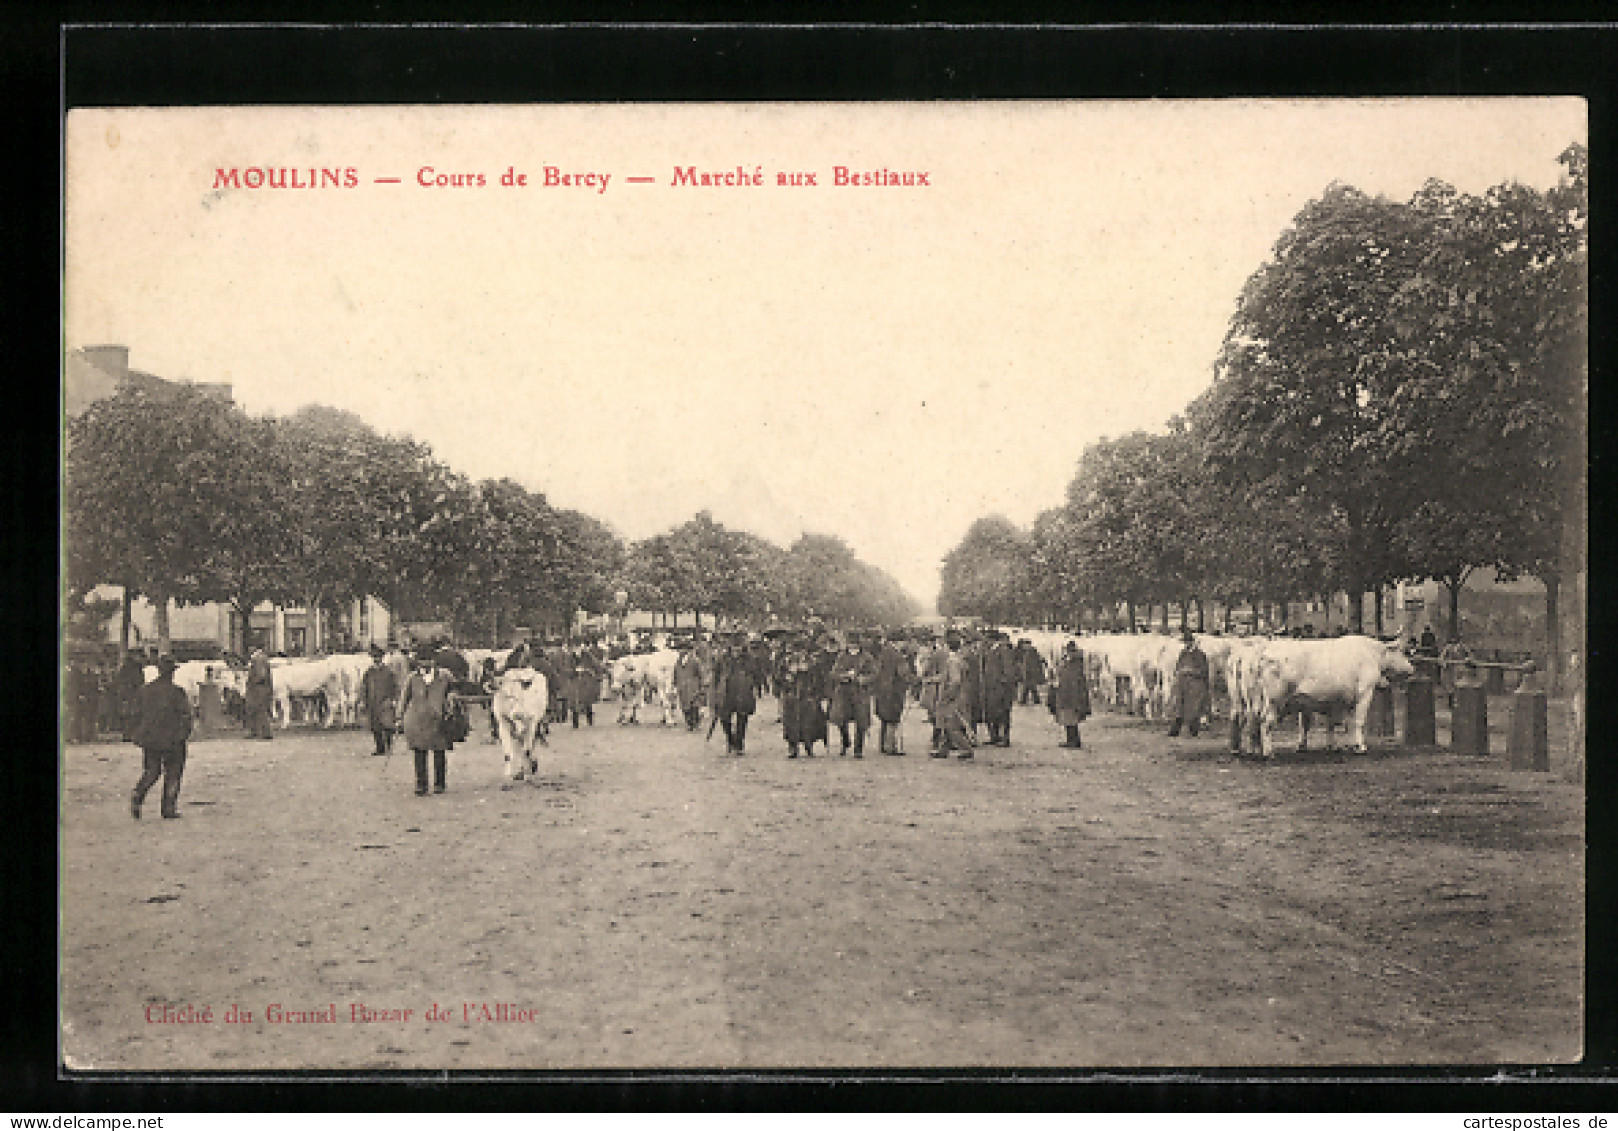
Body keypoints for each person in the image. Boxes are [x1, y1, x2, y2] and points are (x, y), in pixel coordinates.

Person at [130, 655, 192, 820]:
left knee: (151, 771)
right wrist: (184, 735)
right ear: (171, 673)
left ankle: (138, 794)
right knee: (173, 773)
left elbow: (135, 715)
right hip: (173, 739)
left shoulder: (145, 690)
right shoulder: (177, 692)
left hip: (151, 738)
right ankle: (168, 807)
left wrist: (139, 735)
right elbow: (186, 716)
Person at [398, 650, 453, 796]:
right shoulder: (412, 678)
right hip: (418, 720)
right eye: (423, 660)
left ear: (434, 660)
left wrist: (451, 699)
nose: (426, 663)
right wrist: (399, 717)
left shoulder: (444, 676)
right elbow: (404, 698)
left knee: (439, 752)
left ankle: (439, 784)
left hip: (438, 719)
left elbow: (454, 690)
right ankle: (421, 784)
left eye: (429, 660)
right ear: (418, 662)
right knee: (419, 752)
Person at [828, 633, 877, 756]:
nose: (853, 647)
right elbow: (834, 673)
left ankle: (858, 748)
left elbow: (874, 674)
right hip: (844, 692)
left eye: (855, 645)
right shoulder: (841, 657)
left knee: (861, 721)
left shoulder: (867, 657)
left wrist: (863, 679)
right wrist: (844, 676)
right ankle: (845, 740)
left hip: (861, 692)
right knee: (841, 719)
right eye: (851, 645)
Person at [933, 632, 975, 759]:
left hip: (953, 697)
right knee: (947, 723)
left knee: (952, 725)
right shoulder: (958, 659)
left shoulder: (952, 661)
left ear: (947, 645)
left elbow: (955, 680)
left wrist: (948, 695)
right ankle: (943, 749)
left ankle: (966, 749)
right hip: (959, 695)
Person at [715, 636, 758, 755]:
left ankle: (739, 743)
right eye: (734, 648)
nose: (736, 651)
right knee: (724, 718)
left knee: (742, 718)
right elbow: (716, 675)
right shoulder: (723, 659)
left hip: (742, 692)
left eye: (738, 648)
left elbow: (755, 674)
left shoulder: (749, 659)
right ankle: (730, 739)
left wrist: (752, 687)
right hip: (726, 692)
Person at [1165, 630, 1211, 738]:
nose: (1186, 644)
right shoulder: (1183, 653)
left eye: (1188, 642)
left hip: (1195, 684)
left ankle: (1193, 730)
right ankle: (1174, 730)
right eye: (1185, 643)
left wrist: (1190, 671)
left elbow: (1204, 671)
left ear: (1193, 642)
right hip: (1182, 684)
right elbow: (1177, 667)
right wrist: (1178, 674)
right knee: (1178, 707)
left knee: (1193, 708)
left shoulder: (1200, 655)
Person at [873, 629, 911, 755]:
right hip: (895, 690)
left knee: (884, 718)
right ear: (898, 641)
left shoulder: (883, 652)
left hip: (882, 690)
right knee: (893, 719)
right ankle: (891, 747)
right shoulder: (898, 656)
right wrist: (912, 681)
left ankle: (883, 745)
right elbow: (903, 674)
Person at [359, 644, 400, 756]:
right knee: (375, 726)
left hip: (385, 702)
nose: (376, 659)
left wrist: (394, 700)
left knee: (387, 725)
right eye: (374, 657)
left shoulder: (388, 671)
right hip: (372, 703)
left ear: (382, 658)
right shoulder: (369, 672)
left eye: (378, 657)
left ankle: (389, 747)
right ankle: (379, 748)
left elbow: (395, 686)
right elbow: (364, 687)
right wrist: (363, 700)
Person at [1050, 641, 1092, 749]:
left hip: (1070, 695)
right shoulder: (1071, 662)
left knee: (1071, 720)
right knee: (1068, 719)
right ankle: (1071, 740)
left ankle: (1073, 741)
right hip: (1068, 694)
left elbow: (1072, 679)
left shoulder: (1074, 663)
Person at [982, 630, 1017, 747]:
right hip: (992, 688)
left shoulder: (1003, 650)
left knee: (1003, 713)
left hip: (1001, 688)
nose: (984, 640)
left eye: (986, 638)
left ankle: (1005, 738)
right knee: (993, 712)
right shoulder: (991, 650)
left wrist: (1003, 683)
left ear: (992, 639)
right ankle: (995, 736)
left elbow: (1008, 669)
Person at [112, 650, 146, 739]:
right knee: (132, 714)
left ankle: (127, 734)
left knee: (126, 715)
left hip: (125, 695)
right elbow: (139, 681)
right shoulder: (136, 668)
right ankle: (131, 733)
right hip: (132, 694)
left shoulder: (124, 669)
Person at [673, 641, 705, 731]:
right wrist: (675, 683)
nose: (680, 651)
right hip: (682, 686)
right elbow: (675, 673)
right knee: (684, 705)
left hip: (693, 686)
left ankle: (694, 723)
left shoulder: (694, 660)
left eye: (682, 649)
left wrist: (701, 686)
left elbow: (700, 673)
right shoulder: (678, 661)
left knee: (694, 705)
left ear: (687, 650)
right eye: (679, 649)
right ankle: (689, 723)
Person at [244, 646, 275, 739]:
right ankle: (256, 732)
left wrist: (251, 682)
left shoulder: (258, 659)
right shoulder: (261, 658)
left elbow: (261, 675)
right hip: (261, 688)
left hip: (258, 689)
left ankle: (265, 733)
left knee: (260, 710)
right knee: (255, 710)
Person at [1018, 638, 1047, 705]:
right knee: (1030, 687)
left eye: (1025, 644)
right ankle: (1034, 700)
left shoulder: (1032, 652)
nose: (1024, 646)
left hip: (1031, 672)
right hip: (1028, 672)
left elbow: (1037, 661)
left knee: (1028, 686)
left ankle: (1025, 700)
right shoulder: (1026, 652)